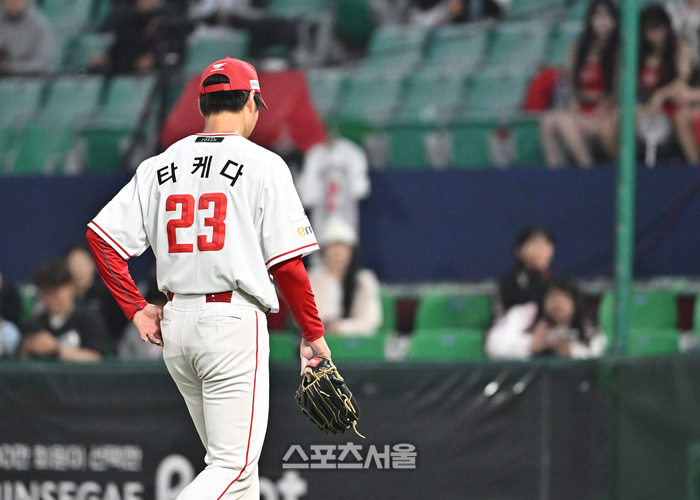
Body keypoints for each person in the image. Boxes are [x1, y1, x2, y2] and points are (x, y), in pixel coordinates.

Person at [85, 57, 330, 499]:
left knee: (239, 477)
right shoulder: (263, 164)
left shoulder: (160, 165)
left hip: (177, 327)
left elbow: (102, 239)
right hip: (230, 325)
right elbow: (288, 266)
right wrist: (312, 332)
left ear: (203, 105)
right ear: (252, 102)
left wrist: (136, 308)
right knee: (233, 466)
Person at [540, 0, 620, 168]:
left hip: (605, 112)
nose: (603, 21)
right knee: (548, 121)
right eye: (598, 16)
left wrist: (604, 104)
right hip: (582, 108)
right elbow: (570, 81)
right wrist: (574, 102)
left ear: (615, 20)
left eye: (607, 16)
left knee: (565, 122)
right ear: (590, 20)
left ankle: (587, 169)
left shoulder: (619, 50)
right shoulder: (578, 46)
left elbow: (618, 88)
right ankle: (555, 173)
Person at [486, 276, 606, 360]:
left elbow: (596, 354)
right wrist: (530, 343)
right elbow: (494, 346)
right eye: (553, 297)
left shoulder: (585, 324)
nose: (558, 303)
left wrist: (571, 351)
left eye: (564, 298)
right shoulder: (526, 315)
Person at [636, 4, 695, 164]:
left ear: (667, 28)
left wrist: (661, 95)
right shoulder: (639, 53)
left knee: (681, 117)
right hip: (647, 106)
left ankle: (694, 166)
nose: (654, 34)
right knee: (623, 117)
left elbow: (682, 81)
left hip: (672, 104)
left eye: (658, 28)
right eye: (649, 29)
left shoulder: (680, 48)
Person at [21, 260, 108, 362]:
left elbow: (95, 358)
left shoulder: (89, 320)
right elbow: (20, 360)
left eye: (55, 293)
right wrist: (29, 346)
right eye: (46, 294)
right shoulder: (35, 324)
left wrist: (56, 349)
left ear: (70, 287)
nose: (51, 299)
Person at [308, 217, 382, 336]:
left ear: (351, 251)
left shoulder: (364, 280)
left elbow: (371, 320)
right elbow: (305, 315)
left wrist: (342, 327)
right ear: (323, 252)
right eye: (332, 247)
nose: (337, 253)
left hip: (357, 341)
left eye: (342, 247)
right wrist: (326, 325)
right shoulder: (313, 278)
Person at [297, 134, 371, 238]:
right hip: (322, 218)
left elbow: (360, 189)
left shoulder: (352, 153)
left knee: (345, 240)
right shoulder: (314, 155)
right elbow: (308, 197)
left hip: (346, 217)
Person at [65, 245, 128, 346]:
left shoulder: (108, 294)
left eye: (81, 263)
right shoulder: (64, 297)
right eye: (73, 264)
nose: (78, 269)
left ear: (92, 264)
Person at [498, 226, 555, 315]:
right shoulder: (510, 281)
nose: (540, 250)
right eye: (534, 243)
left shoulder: (557, 283)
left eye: (546, 244)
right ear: (519, 250)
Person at [0, 0, 52, 75]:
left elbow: (41, 63)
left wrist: (10, 66)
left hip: (31, 78)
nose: (12, 3)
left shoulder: (39, 26)